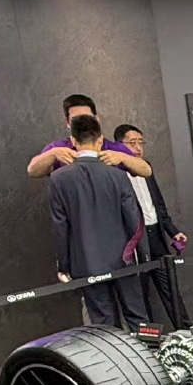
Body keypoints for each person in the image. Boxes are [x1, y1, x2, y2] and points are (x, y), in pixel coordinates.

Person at [49, 114, 147, 329]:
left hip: (85, 261)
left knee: (103, 321)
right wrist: (142, 255)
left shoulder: (59, 178)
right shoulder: (118, 175)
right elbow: (134, 218)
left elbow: (60, 226)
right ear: (100, 140)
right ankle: (147, 350)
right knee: (137, 315)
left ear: (73, 141)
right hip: (123, 259)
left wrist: (64, 265)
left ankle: (112, 352)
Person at [115, 124, 190, 326]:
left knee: (170, 288)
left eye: (141, 142)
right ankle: (148, 339)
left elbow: (158, 203)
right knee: (140, 294)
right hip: (134, 241)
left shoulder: (146, 167)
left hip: (156, 235)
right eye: (132, 142)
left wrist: (172, 231)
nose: (138, 147)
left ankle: (185, 329)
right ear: (118, 145)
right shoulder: (115, 173)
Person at [27, 94, 152, 179]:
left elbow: (146, 170)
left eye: (87, 117)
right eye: (76, 119)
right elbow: (32, 171)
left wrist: (122, 157)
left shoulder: (113, 148)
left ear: (97, 119)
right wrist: (53, 154)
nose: (83, 122)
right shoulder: (59, 148)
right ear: (67, 122)